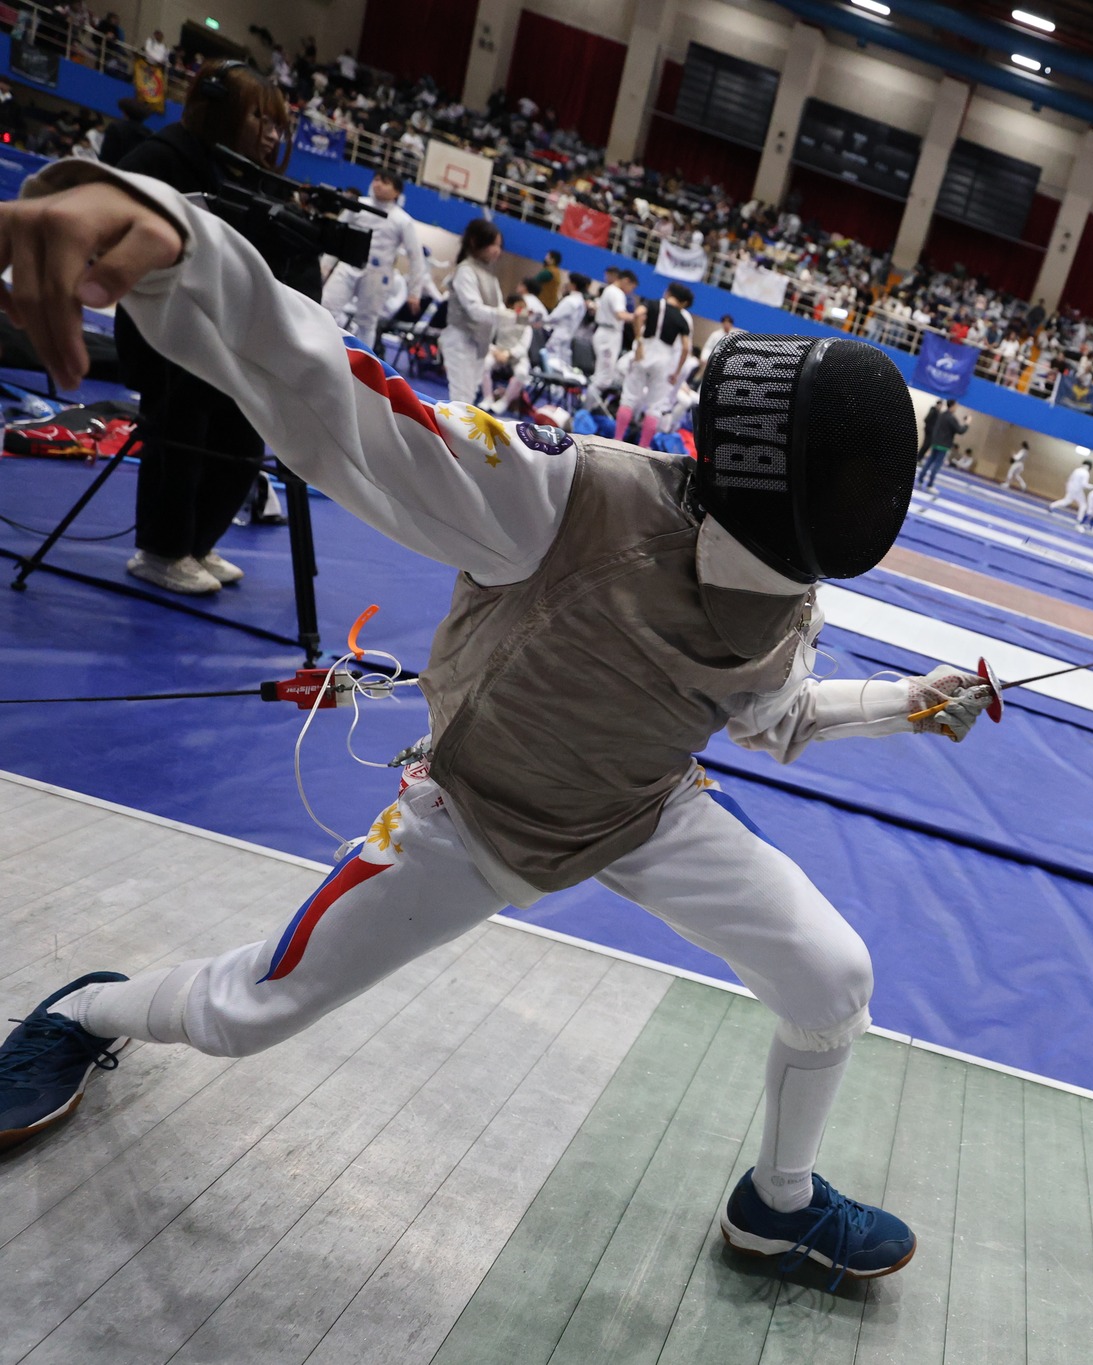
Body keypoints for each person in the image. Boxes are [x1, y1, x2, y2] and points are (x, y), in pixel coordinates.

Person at [0, 164, 1002, 1280]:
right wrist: (183, 247)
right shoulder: (562, 500)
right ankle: (89, 1013)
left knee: (832, 979)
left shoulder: (787, 594)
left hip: (642, 812)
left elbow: (772, 715)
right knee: (251, 1012)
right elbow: (347, 410)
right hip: (471, 821)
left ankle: (775, 1206)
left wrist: (905, 707)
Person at [113, 58, 288, 596]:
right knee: (181, 434)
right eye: (260, 118)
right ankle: (161, 551)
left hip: (230, 338)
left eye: (278, 123)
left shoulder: (255, 182)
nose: (272, 134)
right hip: (166, 335)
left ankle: (197, 543)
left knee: (244, 436)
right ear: (218, 111)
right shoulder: (162, 158)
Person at [321, 170, 429, 346]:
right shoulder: (357, 205)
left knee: (367, 322)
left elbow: (416, 257)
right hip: (348, 265)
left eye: (385, 182)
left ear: (397, 192)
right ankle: (324, 345)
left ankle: (363, 365)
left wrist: (414, 293)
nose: (378, 184)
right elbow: (337, 235)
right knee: (326, 307)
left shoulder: (402, 220)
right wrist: (324, 267)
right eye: (376, 180)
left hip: (377, 274)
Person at [440, 219, 515, 407]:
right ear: (475, 242)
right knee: (461, 397)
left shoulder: (490, 275)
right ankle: (451, 435)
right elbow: (474, 310)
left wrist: (520, 318)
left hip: (480, 343)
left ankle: (457, 435)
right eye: (492, 244)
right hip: (460, 339)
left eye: (499, 245)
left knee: (469, 398)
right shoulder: (465, 270)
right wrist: (505, 316)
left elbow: (499, 309)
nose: (496, 250)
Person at [617, 282, 693, 447]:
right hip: (664, 360)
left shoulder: (652, 304)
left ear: (668, 292)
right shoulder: (682, 318)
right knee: (655, 407)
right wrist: (677, 372)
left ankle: (616, 440)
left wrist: (638, 340)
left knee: (629, 398)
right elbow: (686, 348)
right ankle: (643, 448)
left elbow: (637, 315)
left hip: (644, 353)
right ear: (683, 302)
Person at [539, 270, 589, 375]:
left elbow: (552, 318)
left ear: (573, 285)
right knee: (563, 367)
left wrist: (539, 316)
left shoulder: (570, 301)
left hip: (559, 336)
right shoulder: (581, 302)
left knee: (551, 365)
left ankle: (552, 389)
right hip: (568, 337)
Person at [591, 267, 631, 389]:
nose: (630, 291)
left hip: (608, 333)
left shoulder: (610, 290)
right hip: (608, 334)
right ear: (626, 281)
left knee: (602, 374)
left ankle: (589, 405)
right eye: (632, 287)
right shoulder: (616, 292)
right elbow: (620, 315)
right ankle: (587, 406)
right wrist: (638, 317)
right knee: (604, 377)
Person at [915, 400, 967, 491]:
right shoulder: (951, 418)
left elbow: (935, 428)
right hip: (943, 445)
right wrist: (967, 424)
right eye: (956, 405)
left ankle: (920, 480)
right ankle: (930, 485)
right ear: (952, 406)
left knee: (929, 462)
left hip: (936, 443)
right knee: (936, 465)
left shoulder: (941, 415)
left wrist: (933, 441)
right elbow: (960, 430)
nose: (957, 407)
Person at [524, 248, 564, 313]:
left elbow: (532, 283)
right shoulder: (556, 271)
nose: (545, 258)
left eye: (547, 256)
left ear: (552, 260)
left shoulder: (548, 272)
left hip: (543, 304)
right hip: (550, 304)